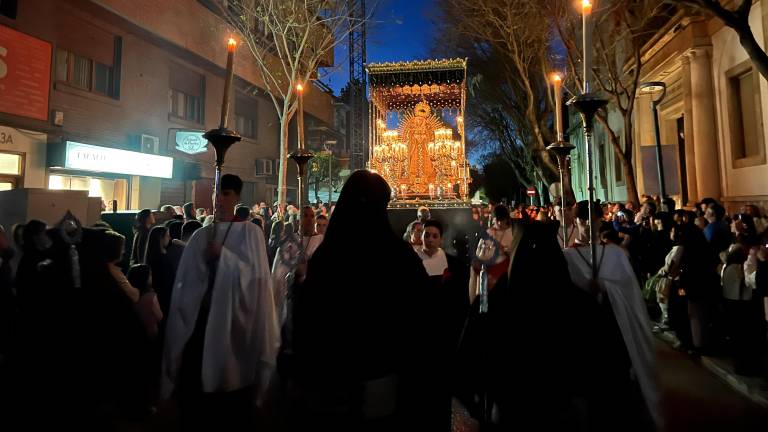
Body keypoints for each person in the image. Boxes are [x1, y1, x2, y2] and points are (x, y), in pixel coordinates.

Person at [291, 170, 443, 430]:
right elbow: (422, 318)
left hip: (335, 382)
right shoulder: (398, 256)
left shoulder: (327, 256)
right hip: (378, 378)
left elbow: (307, 319)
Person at [162, 174, 279, 431]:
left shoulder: (251, 232)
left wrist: (223, 257)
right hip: (203, 325)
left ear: (237, 197)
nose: (220, 199)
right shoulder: (202, 234)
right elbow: (186, 283)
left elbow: (256, 280)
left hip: (235, 326)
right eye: (218, 192)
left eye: (226, 193)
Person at [563, 200, 660, 430]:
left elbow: (629, 291)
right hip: (583, 331)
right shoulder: (566, 256)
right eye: (582, 219)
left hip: (613, 327)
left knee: (616, 386)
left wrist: (606, 287)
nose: (587, 223)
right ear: (576, 222)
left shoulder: (616, 254)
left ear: (600, 220)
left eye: (592, 218)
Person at [416, 219, 469, 355]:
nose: (430, 240)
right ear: (421, 236)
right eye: (426, 235)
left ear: (441, 239)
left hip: (446, 322)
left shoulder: (454, 265)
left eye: (435, 236)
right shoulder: (412, 261)